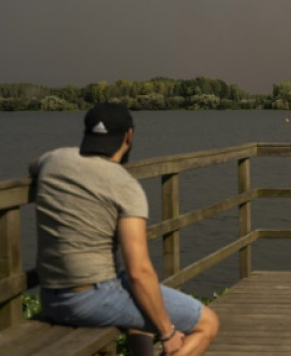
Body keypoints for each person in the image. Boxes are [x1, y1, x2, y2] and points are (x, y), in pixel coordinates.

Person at [30, 103, 219, 355]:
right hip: (91, 299)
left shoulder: (53, 159)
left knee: (139, 302)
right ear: (128, 136)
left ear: (86, 133)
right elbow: (138, 271)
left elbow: (33, 164)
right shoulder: (125, 186)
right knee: (208, 323)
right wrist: (168, 332)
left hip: (50, 297)